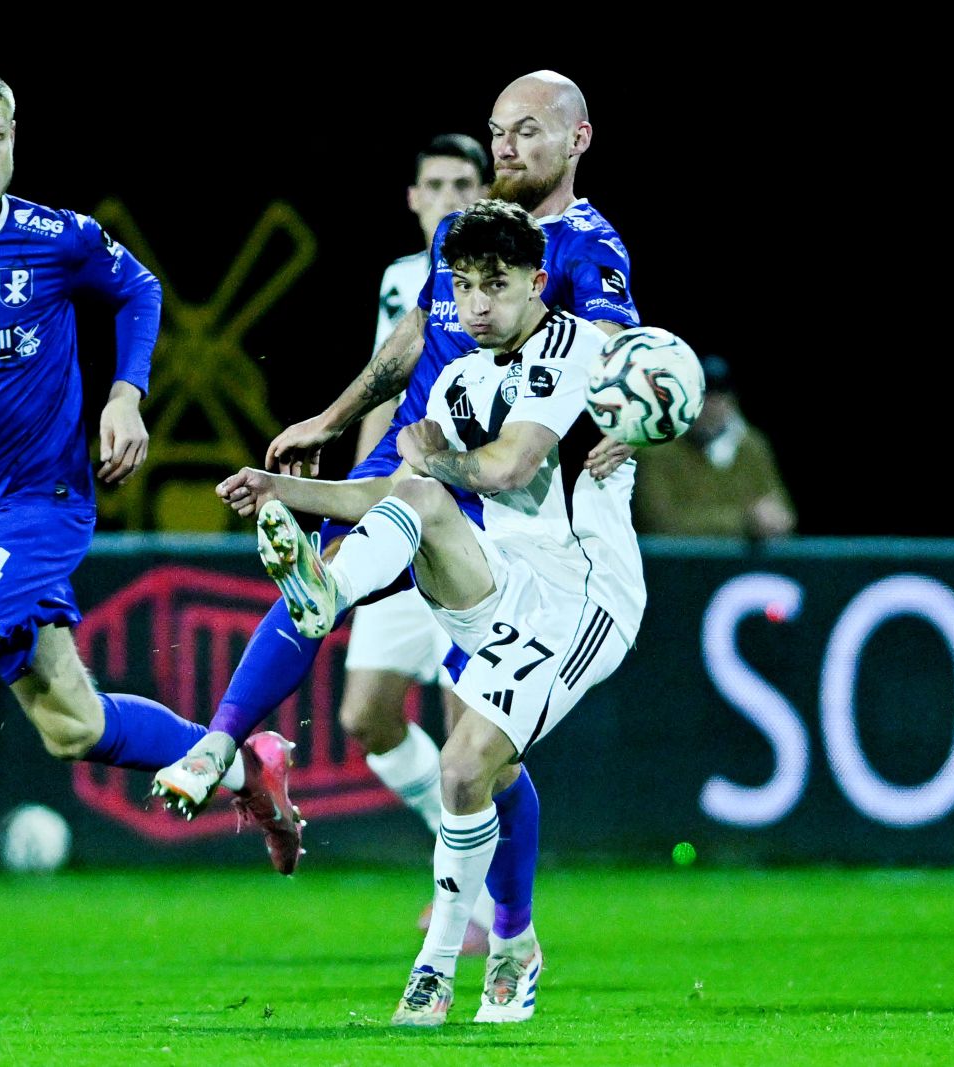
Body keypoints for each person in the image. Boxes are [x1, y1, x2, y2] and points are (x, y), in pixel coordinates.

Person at [0, 61, 301, 975]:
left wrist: (126, 394)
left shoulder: (55, 238)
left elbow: (141, 291)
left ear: (13, 137)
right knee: (70, 722)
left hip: (46, 504)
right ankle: (239, 762)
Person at [151, 71, 638, 980]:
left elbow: (617, 360)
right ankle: (222, 738)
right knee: (341, 631)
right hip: (429, 472)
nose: (504, 149)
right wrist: (332, 423)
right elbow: (412, 339)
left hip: (516, 514)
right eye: (497, 132)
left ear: (577, 140)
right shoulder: (462, 242)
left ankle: (504, 925)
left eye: (525, 133)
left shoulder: (587, 249)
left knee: (479, 744)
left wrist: (624, 426)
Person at [222, 199, 642, 1026]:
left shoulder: (576, 346)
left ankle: (445, 964)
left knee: (463, 767)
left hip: (583, 599)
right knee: (414, 495)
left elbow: (509, 460)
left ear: (535, 282)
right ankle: (330, 589)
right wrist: (286, 490)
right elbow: (392, 487)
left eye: (496, 284)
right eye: (463, 286)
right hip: (503, 579)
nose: (477, 304)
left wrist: (432, 452)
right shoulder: (459, 376)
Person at [347, 133, 496, 946]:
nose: (445, 195)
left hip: (471, 519)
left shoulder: (505, 274)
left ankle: (478, 909)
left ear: (484, 189)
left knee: (464, 722)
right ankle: (459, 852)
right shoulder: (404, 280)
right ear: (413, 197)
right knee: (365, 711)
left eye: (461, 182)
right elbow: (387, 385)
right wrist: (357, 501)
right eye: (433, 183)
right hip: (405, 503)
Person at [631, 354, 796, 538]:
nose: (711, 406)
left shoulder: (750, 444)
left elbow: (783, 511)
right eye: (702, 396)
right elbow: (661, 523)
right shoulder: (655, 448)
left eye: (720, 395)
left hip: (742, 564)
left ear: (732, 401)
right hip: (679, 562)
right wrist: (745, 521)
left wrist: (775, 519)